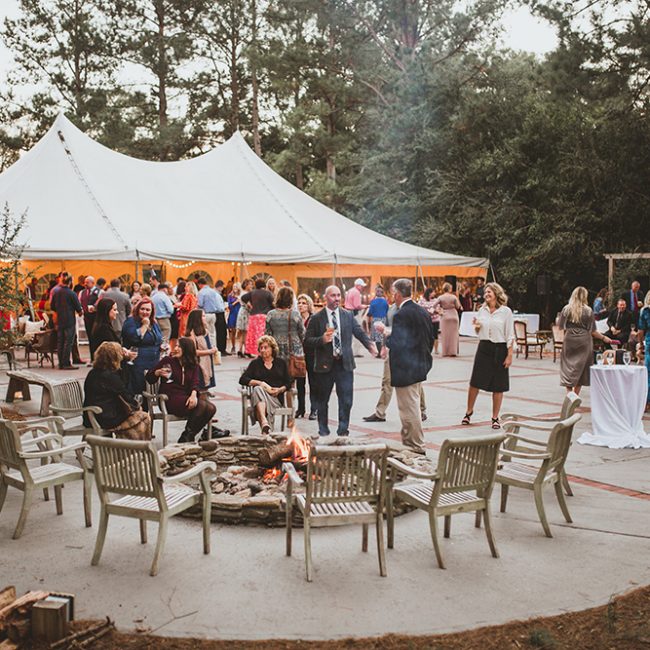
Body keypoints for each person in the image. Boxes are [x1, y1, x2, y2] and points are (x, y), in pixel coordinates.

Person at [304, 285, 377, 437]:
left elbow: (359, 332)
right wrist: (321, 339)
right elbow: (307, 341)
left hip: (344, 364)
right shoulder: (317, 318)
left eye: (338, 295)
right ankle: (323, 430)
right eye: (333, 296)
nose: (337, 298)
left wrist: (370, 346)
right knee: (322, 400)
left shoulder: (347, 315)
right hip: (325, 366)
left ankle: (343, 431)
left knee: (346, 400)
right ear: (326, 297)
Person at [384, 279, 434, 454]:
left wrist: (386, 335)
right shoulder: (422, 311)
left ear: (397, 294)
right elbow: (430, 338)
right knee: (412, 405)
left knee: (408, 410)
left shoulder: (401, 315)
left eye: (392, 293)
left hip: (406, 368)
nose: (392, 296)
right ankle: (410, 443)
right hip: (420, 364)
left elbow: (398, 343)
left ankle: (416, 446)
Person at [363, 301, 428, 424]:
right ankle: (380, 412)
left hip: (408, 352)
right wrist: (383, 346)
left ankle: (422, 410)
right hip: (392, 349)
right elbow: (388, 328)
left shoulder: (412, 309)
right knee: (386, 380)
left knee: (416, 380)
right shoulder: (392, 309)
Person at [462, 282, 514, 429]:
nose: (486, 295)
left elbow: (510, 335)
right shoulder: (481, 310)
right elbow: (478, 331)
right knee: (475, 383)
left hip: (500, 348)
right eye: (485, 293)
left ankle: (495, 418)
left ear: (496, 294)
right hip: (484, 348)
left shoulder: (506, 312)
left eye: (489, 292)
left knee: (498, 386)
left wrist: (509, 355)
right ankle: (468, 411)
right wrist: (477, 327)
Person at [147, 337, 217, 443]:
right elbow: (149, 378)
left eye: (179, 346)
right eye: (175, 346)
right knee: (202, 406)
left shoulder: (193, 365)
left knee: (211, 408)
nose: (175, 348)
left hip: (185, 397)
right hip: (168, 399)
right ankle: (187, 437)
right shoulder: (168, 361)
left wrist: (193, 395)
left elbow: (195, 383)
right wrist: (157, 373)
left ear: (187, 349)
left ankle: (187, 435)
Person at [83, 342, 151, 440]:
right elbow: (126, 393)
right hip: (106, 418)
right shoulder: (109, 376)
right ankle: (141, 449)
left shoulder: (93, 373)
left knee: (135, 417)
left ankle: (129, 448)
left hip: (91, 416)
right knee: (144, 417)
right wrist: (137, 406)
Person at [558, 287, 612, 395]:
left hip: (569, 340)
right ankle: (576, 395)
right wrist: (604, 338)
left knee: (568, 367)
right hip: (584, 341)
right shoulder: (588, 311)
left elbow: (560, 326)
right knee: (582, 368)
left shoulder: (566, 309)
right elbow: (593, 331)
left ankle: (569, 394)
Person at [239, 335, 292, 434]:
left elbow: (289, 382)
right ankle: (264, 422)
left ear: (272, 348)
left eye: (266, 347)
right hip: (259, 397)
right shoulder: (255, 363)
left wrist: (280, 390)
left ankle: (264, 426)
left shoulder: (281, 363)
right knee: (258, 389)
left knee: (258, 393)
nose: (263, 350)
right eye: (261, 348)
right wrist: (259, 382)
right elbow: (243, 379)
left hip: (275, 399)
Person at [122, 297, 162, 395]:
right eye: (142, 309)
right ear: (137, 309)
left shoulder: (154, 323)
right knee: (139, 389)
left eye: (148, 310)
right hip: (138, 362)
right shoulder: (131, 321)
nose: (145, 312)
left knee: (152, 389)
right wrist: (144, 325)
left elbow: (158, 339)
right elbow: (134, 338)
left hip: (153, 361)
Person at [50, 275, 83, 369]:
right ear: (69, 282)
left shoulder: (56, 292)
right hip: (69, 320)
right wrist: (81, 312)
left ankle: (61, 363)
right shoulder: (71, 293)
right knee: (68, 342)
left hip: (60, 320)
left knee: (60, 341)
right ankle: (66, 363)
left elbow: (52, 307)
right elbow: (78, 308)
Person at [264, 286, 305, 363]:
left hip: (276, 348)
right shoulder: (295, 314)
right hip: (294, 350)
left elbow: (267, 334)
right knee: (294, 372)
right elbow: (302, 333)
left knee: (278, 372)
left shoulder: (271, 314)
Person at [296, 293, 317, 419]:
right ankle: (301, 408)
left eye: (303, 303)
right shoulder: (296, 319)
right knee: (300, 383)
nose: (301, 305)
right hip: (299, 355)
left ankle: (314, 409)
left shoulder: (314, 319)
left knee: (313, 383)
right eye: (299, 303)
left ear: (309, 305)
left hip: (312, 354)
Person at [241, 278, 275, 356]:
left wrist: (249, 304)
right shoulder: (268, 293)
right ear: (264, 284)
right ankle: (262, 351)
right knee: (262, 334)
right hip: (264, 316)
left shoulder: (252, 292)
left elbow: (243, 298)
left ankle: (251, 350)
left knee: (253, 335)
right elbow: (273, 303)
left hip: (253, 315)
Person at [185, 309, 217, 390]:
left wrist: (213, 348)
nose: (205, 318)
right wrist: (210, 351)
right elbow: (193, 351)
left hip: (207, 362)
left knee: (206, 385)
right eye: (202, 316)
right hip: (199, 363)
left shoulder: (205, 331)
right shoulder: (191, 334)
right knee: (200, 386)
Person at [436, 282, 461, 357]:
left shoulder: (440, 297)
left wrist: (438, 311)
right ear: (449, 289)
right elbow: (458, 306)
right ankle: (453, 352)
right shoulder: (453, 297)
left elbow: (434, 306)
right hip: (453, 315)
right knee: (454, 334)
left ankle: (445, 352)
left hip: (445, 315)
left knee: (445, 335)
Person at [79, 275, 101, 360]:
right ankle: (92, 357)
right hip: (87, 317)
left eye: (87, 282)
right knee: (90, 337)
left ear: (93, 283)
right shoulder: (82, 292)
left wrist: (95, 307)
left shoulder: (99, 292)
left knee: (96, 337)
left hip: (96, 318)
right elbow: (79, 302)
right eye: (85, 282)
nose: (85, 284)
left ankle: (98, 357)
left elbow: (101, 303)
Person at [196, 277, 221, 351]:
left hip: (205, 314)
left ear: (200, 284)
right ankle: (214, 348)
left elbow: (200, 304)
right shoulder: (213, 291)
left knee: (205, 332)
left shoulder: (201, 292)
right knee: (213, 332)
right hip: (213, 314)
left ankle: (208, 348)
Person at [367, 286, 389, 356]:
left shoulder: (373, 302)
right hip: (383, 319)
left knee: (377, 338)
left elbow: (370, 312)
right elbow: (387, 310)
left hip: (375, 319)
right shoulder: (385, 302)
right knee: (383, 336)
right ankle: (383, 351)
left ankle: (379, 352)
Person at [637, 291, 650, 411]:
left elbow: (640, 331)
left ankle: (646, 403)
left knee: (648, 373)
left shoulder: (645, 311)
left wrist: (641, 345)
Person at [418, 287, 440, 355]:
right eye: (433, 292)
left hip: (435, 320)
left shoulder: (435, 300)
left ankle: (436, 350)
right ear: (429, 293)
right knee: (426, 335)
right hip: (425, 320)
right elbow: (419, 308)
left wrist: (431, 310)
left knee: (435, 335)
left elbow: (437, 309)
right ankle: (426, 348)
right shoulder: (422, 300)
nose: (434, 293)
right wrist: (430, 310)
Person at [235, 278, 253, 357]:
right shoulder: (245, 294)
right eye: (250, 284)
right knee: (245, 332)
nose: (251, 286)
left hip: (243, 311)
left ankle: (240, 350)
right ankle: (246, 350)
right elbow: (249, 305)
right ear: (246, 285)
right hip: (245, 312)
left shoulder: (243, 293)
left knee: (243, 333)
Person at [214, 280, 229, 355]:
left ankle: (222, 348)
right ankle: (221, 348)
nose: (223, 288)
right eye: (222, 287)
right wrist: (224, 307)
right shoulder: (216, 294)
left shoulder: (218, 294)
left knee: (222, 332)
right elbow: (219, 306)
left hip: (220, 313)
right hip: (219, 313)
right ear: (219, 286)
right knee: (221, 332)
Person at [227, 283, 242, 354]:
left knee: (240, 332)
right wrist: (236, 301)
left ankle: (240, 348)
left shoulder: (241, 295)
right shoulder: (230, 296)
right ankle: (233, 347)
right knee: (233, 331)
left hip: (240, 314)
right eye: (234, 287)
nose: (235, 288)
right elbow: (229, 306)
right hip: (233, 314)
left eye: (236, 286)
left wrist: (240, 301)